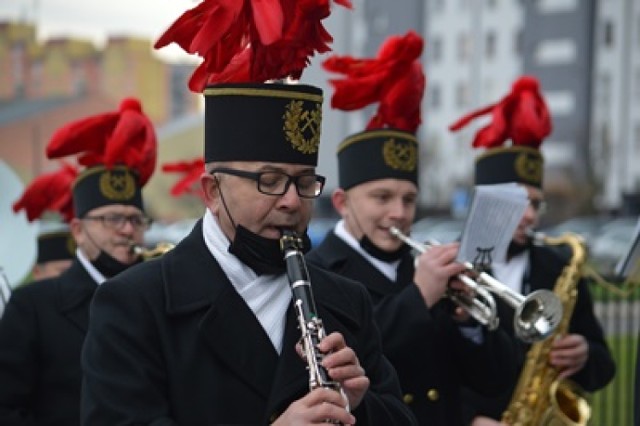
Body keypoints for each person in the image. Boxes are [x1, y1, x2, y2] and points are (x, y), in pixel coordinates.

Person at [80, 3, 416, 425]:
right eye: (269, 181)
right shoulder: (134, 304)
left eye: (304, 182)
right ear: (212, 191)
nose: (292, 201)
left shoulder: (346, 301)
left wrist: (359, 407)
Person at [306, 31, 517, 426]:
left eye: (408, 199)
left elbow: (494, 379)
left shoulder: (422, 265)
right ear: (342, 203)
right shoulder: (317, 270)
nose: (399, 213)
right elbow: (361, 362)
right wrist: (420, 295)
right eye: (381, 198)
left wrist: (467, 320)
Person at [449, 76, 616, 425]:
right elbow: (426, 372)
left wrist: (586, 355)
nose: (529, 216)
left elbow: (604, 365)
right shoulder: (451, 269)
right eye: (517, 202)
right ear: (487, 203)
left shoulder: (558, 264)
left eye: (535, 204)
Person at [0, 98, 156, 425]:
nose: (127, 230)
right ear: (78, 231)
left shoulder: (158, 297)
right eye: (112, 219)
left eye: (136, 220)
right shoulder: (33, 306)